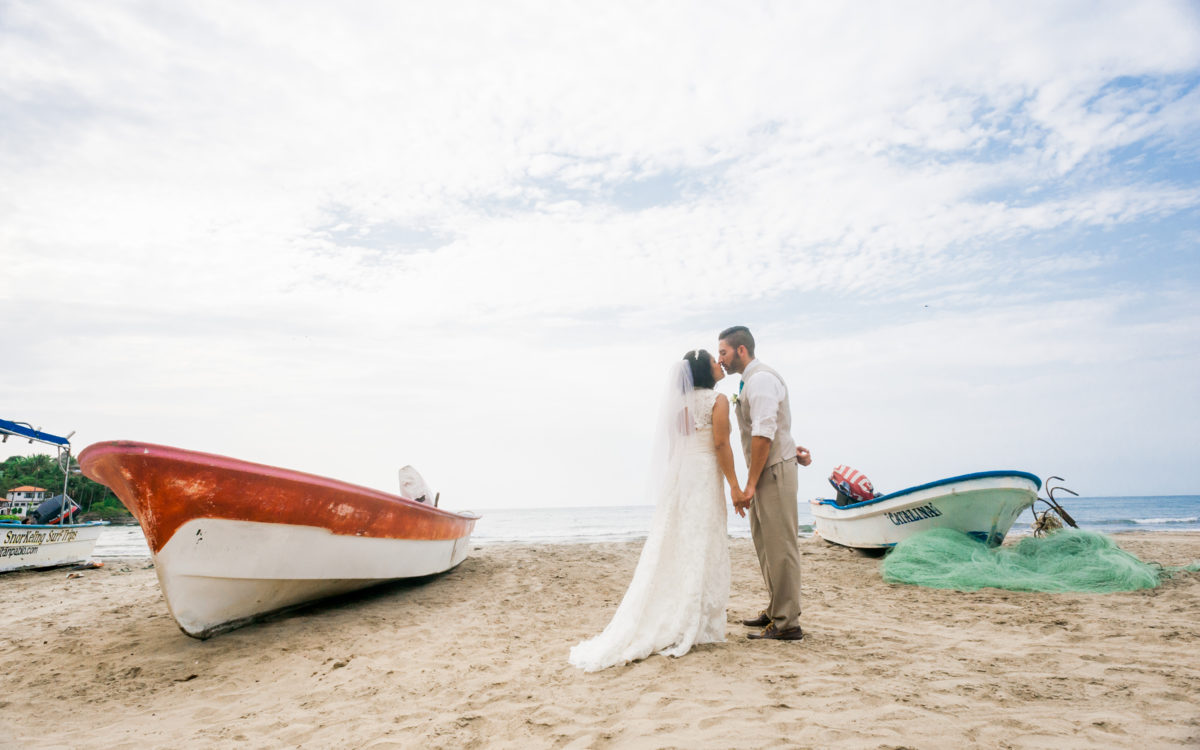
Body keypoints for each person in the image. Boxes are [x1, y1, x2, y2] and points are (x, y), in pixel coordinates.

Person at [569, 349, 742, 671]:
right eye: (714, 361)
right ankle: (695, 619)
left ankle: (677, 611)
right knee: (701, 541)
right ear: (705, 371)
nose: (720, 364)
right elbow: (721, 444)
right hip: (703, 474)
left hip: (680, 476)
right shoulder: (717, 402)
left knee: (675, 543)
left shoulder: (679, 407)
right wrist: (734, 484)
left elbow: (675, 448)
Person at [718, 325, 808, 642]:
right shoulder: (750, 381)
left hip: (772, 472)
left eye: (724, 352)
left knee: (781, 545)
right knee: (766, 544)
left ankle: (787, 623)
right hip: (767, 469)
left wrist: (751, 484)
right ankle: (775, 609)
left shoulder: (761, 380)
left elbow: (764, 432)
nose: (721, 360)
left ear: (741, 350)